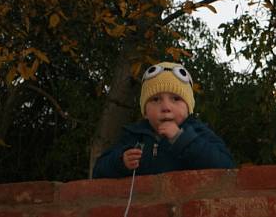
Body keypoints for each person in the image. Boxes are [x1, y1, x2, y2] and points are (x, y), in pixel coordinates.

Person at [92, 61, 234, 178]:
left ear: (188, 108)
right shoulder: (135, 136)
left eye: (176, 99)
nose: (166, 107)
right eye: (155, 99)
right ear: (145, 112)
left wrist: (182, 139)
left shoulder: (197, 131)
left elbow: (226, 166)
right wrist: (121, 162)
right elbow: (98, 171)